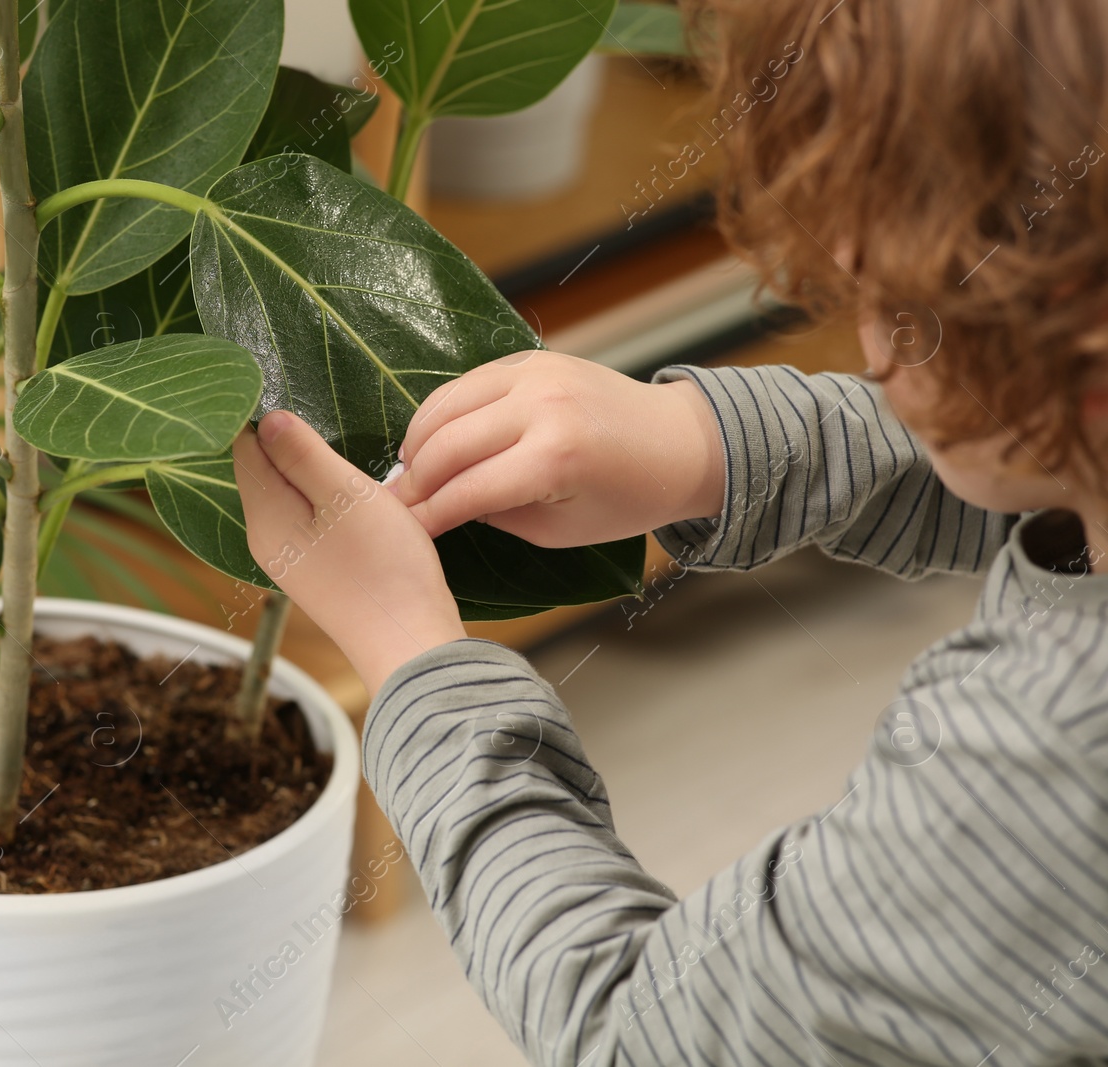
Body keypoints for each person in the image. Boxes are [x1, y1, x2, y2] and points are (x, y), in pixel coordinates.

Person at [230, 0, 1108, 1063]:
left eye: (896, 300)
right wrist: (708, 444)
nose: (871, 342)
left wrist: (410, 656)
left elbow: (639, 1034)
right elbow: (1044, 465)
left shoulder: (1044, 764)